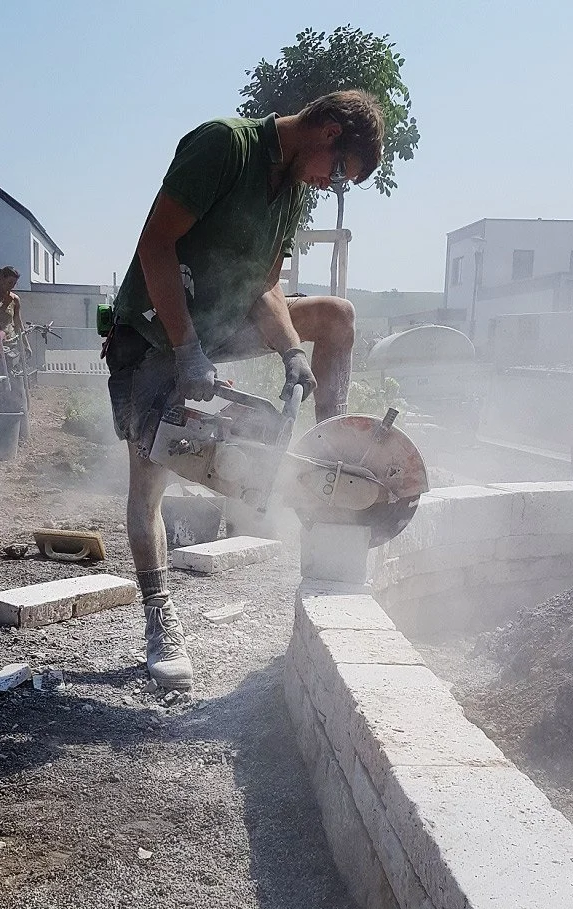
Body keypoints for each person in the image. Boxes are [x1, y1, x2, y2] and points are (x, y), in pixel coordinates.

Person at [106, 90, 385, 691]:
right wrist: (186, 349)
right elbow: (155, 245)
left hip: (219, 323)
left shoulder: (291, 192)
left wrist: (291, 352)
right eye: (338, 171)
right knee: (149, 480)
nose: (329, 183)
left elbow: (264, 287)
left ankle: (330, 462)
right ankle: (159, 618)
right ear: (328, 132)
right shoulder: (224, 147)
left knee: (336, 317)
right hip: (154, 328)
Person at [0, 266, 32, 361]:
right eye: (10, 282)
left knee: (11, 367)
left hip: (10, 343)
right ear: (2, 279)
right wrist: (5, 304)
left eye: (14, 283)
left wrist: (26, 345)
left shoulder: (15, 299)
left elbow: (18, 324)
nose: (12, 286)